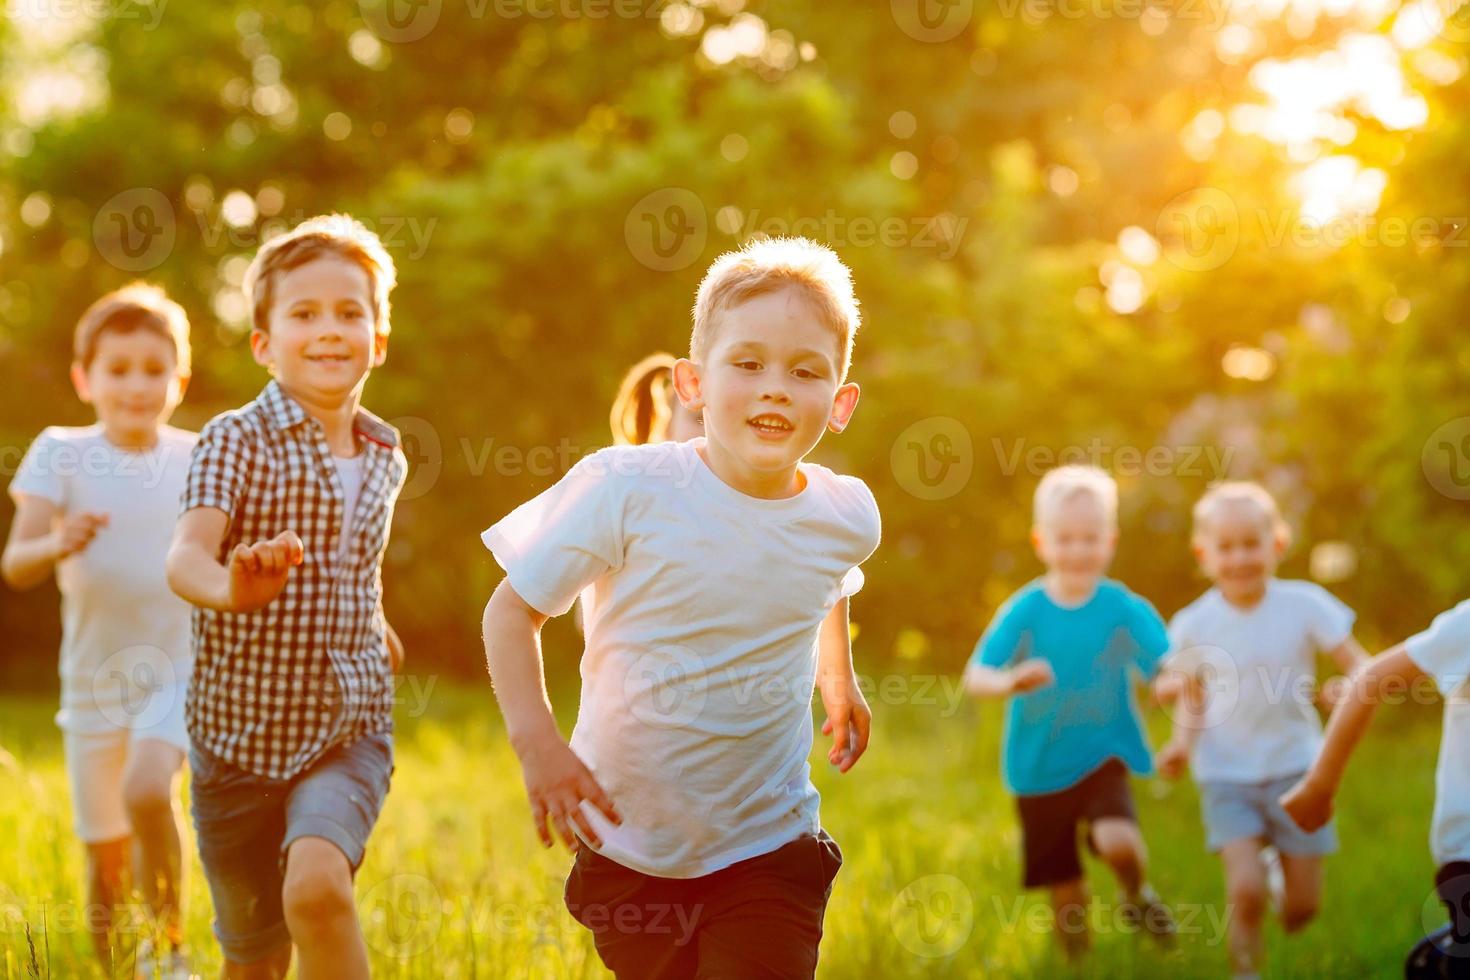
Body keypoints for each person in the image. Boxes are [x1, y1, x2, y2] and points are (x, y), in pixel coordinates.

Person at [481, 236, 881, 978]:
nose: (775, 388)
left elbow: (824, 578)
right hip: (631, 842)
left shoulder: (846, 514)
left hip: (769, 843)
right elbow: (510, 613)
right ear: (691, 383)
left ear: (840, 402)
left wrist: (838, 675)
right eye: (748, 363)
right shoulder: (626, 489)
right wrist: (539, 745)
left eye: (805, 371)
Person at [165, 214, 407, 980]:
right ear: (265, 344)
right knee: (255, 961)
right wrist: (232, 589)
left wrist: (379, 629)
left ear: (378, 340)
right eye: (303, 314)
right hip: (236, 747)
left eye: (349, 312)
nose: (329, 330)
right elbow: (185, 560)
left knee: (318, 890)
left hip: (348, 730)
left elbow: (356, 565)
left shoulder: (384, 452)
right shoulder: (235, 439)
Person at [3, 283, 197, 979]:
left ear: (181, 379)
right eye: (118, 369)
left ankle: (169, 954)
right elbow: (15, 563)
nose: (137, 386)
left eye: (155, 369)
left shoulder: (199, 455)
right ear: (86, 378)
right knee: (104, 854)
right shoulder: (61, 452)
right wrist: (58, 541)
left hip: (178, 668)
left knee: (151, 791)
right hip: (92, 681)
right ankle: (115, 966)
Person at [964, 464, 1176, 957]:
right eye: (1066, 538)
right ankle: (1078, 965)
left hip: (1105, 752)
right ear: (1041, 541)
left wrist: (1170, 683)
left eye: (1090, 538)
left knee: (1119, 841)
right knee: (1067, 895)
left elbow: (1164, 664)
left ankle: (1135, 893)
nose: (1078, 550)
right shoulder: (1027, 608)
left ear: (1110, 540)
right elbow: (977, 674)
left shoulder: (1123, 607)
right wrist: (1011, 680)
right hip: (1038, 766)